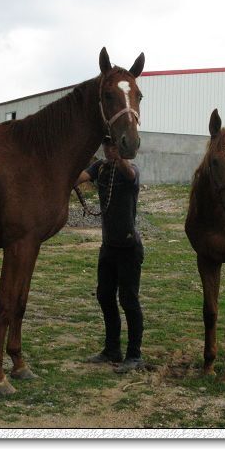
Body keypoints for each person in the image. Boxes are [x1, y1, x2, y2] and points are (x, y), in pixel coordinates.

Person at [75, 140, 145, 373]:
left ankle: (134, 355)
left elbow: (130, 173)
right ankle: (111, 349)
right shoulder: (100, 168)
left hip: (128, 248)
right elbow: (81, 177)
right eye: (105, 146)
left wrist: (120, 158)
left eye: (112, 146)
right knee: (105, 296)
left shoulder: (130, 170)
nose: (107, 150)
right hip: (109, 247)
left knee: (129, 300)